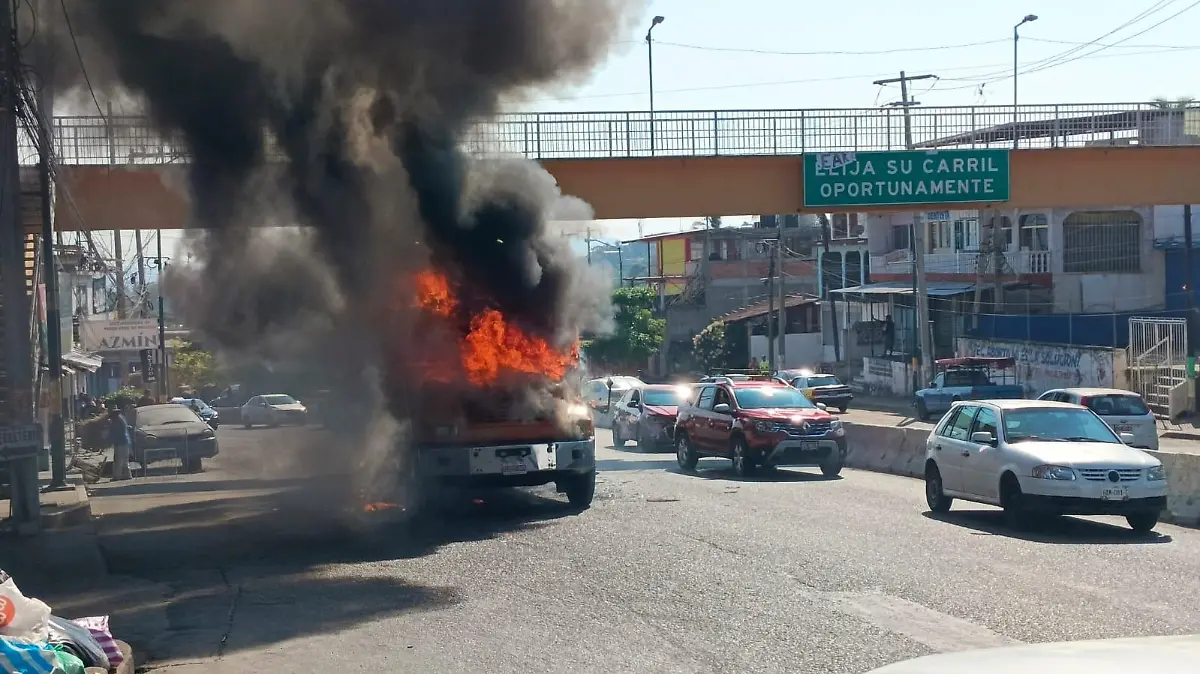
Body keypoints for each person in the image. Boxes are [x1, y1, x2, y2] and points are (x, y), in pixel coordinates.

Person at [107, 406, 133, 481]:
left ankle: (117, 476)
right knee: (125, 460)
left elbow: (114, 432)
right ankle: (127, 475)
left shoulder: (116, 421)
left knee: (118, 460)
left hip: (120, 442)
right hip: (125, 441)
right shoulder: (121, 419)